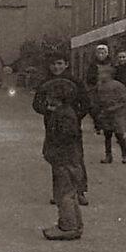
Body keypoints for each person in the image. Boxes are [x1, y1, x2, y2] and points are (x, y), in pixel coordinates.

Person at [33, 53, 92, 206]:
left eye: (59, 63)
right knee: (56, 158)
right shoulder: (45, 83)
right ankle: (59, 192)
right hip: (52, 126)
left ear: (66, 64)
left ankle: (80, 191)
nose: (56, 67)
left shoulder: (75, 82)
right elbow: (36, 104)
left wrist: (74, 117)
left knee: (76, 158)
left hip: (72, 128)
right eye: (53, 64)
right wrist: (47, 109)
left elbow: (85, 103)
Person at [38, 78, 84, 241]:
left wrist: (53, 151)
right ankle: (75, 224)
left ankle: (67, 226)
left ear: (56, 97)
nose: (46, 99)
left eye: (48, 96)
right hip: (67, 159)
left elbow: (64, 137)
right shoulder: (63, 112)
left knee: (63, 194)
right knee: (69, 193)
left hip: (64, 160)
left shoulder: (63, 115)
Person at [91, 65, 126, 164]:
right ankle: (108, 156)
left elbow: (125, 99)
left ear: (109, 75)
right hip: (105, 114)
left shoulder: (118, 85)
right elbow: (96, 98)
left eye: (102, 73)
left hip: (117, 114)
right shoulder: (99, 86)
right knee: (107, 135)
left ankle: (125, 155)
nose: (99, 75)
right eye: (99, 73)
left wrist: (115, 107)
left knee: (119, 135)